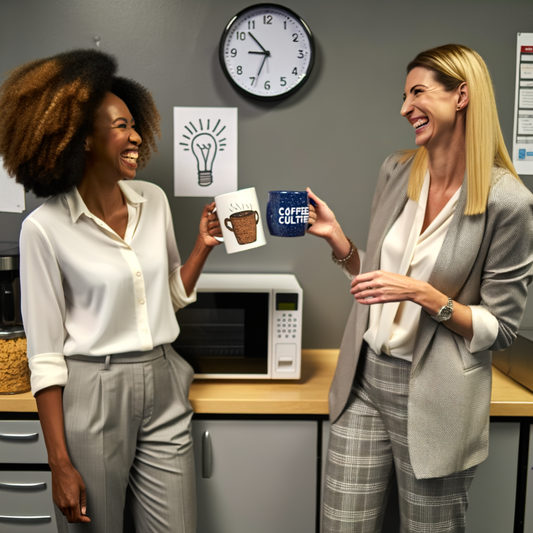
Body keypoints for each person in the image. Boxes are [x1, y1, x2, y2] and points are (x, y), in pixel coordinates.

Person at [307, 44, 533, 532]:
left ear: (462, 95)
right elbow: (380, 283)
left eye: (418, 92)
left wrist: (426, 295)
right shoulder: (397, 170)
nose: (405, 107)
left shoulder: (508, 202)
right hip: (364, 381)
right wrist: (340, 242)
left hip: (437, 396)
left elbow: (503, 329)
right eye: (404, 95)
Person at [0, 49, 221, 532]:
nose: (137, 136)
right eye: (121, 126)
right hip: (93, 392)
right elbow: (45, 357)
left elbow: (168, 296)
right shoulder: (44, 230)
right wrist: (59, 463)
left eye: (134, 124)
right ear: (81, 140)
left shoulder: (153, 202)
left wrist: (202, 249)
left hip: (164, 381)